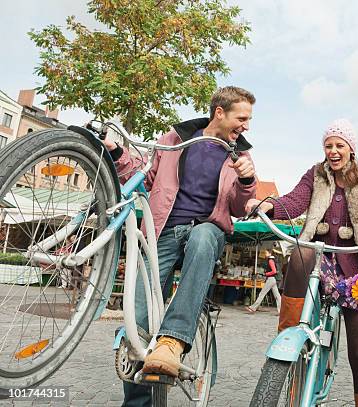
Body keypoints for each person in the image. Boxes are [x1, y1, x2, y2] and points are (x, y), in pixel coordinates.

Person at [245, 118, 358, 407]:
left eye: (340, 145)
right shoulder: (315, 175)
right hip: (319, 261)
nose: (333, 151)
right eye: (328, 145)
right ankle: (289, 329)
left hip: (355, 270)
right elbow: (295, 200)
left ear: (351, 148)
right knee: (301, 252)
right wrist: (269, 205)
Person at [103, 86, 257, 407]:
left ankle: (173, 339)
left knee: (203, 237)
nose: (246, 125)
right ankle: (138, 403)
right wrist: (117, 153)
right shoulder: (176, 138)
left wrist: (246, 181)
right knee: (139, 327)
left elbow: (240, 207)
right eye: (242, 117)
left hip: (206, 230)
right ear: (220, 112)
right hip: (162, 232)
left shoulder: (239, 155)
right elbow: (143, 176)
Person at [246, 249, 282, 313]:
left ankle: (253, 308)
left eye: (266, 253)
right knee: (277, 296)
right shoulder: (274, 260)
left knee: (262, 294)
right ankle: (281, 311)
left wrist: (266, 274)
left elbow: (274, 271)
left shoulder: (270, 260)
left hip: (270, 279)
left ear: (270, 253)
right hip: (273, 279)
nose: (265, 254)